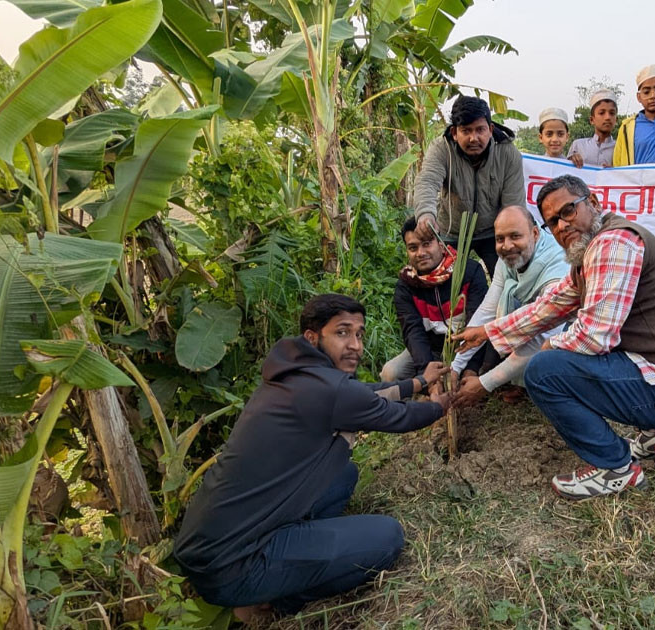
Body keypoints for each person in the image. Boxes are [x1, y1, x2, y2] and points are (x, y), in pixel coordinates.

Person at [174, 294, 452, 621]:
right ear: (312, 337)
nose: (355, 345)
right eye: (342, 332)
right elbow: (398, 417)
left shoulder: (292, 373)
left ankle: (293, 556)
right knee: (387, 538)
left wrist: (418, 381)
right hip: (236, 564)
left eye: (359, 334)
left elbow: (364, 395)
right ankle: (278, 599)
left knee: (343, 474)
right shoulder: (329, 390)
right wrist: (440, 406)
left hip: (211, 547)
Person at [454, 175, 655, 500]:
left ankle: (615, 468)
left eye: (568, 211)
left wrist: (549, 348)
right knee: (569, 356)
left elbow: (595, 337)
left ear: (592, 203)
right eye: (553, 221)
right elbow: (549, 306)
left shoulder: (613, 243)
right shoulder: (590, 252)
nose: (562, 226)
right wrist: (486, 332)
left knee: (544, 370)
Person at [450, 206, 569, 407]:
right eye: (500, 239)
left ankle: (546, 383)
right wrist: (455, 366)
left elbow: (544, 333)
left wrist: (485, 384)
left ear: (535, 233)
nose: (507, 246)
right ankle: (519, 378)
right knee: (508, 301)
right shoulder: (507, 259)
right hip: (532, 324)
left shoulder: (558, 263)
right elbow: (489, 309)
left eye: (515, 236)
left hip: (565, 333)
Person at [414, 95, 526, 273]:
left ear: (490, 129)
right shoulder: (441, 149)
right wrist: (425, 215)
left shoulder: (507, 153)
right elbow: (427, 181)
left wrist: (510, 238)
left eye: (480, 130)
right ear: (454, 133)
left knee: (510, 278)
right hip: (451, 230)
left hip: (493, 230)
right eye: (466, 131)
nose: (474, 138)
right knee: (442, 281)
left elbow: (513, 204)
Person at [382, 216, 489, 382]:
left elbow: (479, 322)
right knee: (390, 374)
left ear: (440, 243)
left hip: (467, 347)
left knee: (480, 372)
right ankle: (419, 399)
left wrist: (471, 369)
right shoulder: (406, 285)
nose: (421, 253)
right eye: (413, 247)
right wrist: (427, 376)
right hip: (431, 349)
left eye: (426, 244)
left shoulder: (469, 272)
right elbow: (413, 334)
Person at [568, 89, 617, 168]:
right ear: (592, 120)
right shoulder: (578, 145)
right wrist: (571, 160)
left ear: (616, 119)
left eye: (612, 113)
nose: (607, 117)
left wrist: (616, 172)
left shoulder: (620, 148)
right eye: (602, 113)